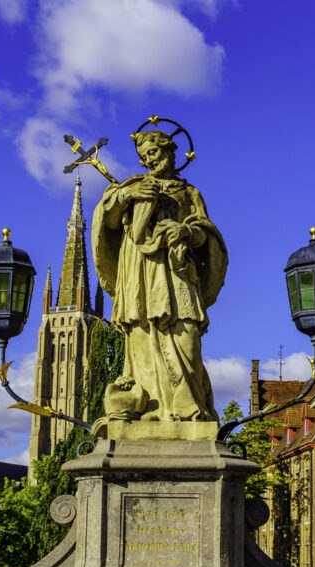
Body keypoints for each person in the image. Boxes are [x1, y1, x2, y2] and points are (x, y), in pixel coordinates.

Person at [91, 126, 227, 424]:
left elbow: (207, 235)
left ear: (169, 150)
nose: (148, 161)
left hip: (177, 270)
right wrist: (127, 194)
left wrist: (187, 231)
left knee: (187, 334)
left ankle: (189, 409)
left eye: (152, 153)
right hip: (140, 273)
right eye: (143, 156)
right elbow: (107, 220)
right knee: (142, 335)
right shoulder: (133, 186)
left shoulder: (189, 193)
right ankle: (152, 410)